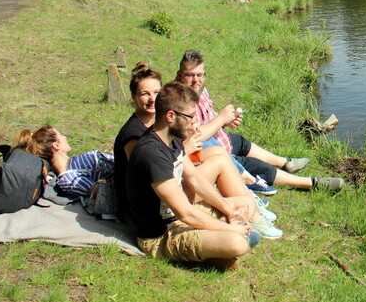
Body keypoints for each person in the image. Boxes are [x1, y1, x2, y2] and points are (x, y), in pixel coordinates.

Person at [114, 64, 278, 236]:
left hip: (168, 180)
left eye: (156, 93)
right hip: (155, 199)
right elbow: (150, 172)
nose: (152, 99)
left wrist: (186, 148)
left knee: (219, 154)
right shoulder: (134, 135)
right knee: (218, 162)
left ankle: (249, 207)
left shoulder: (161, 120)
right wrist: (185, 149)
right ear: (134, 97)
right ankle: (248, 215)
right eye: (145, 94)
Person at [126, 81, 265, 269]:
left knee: (246, 202)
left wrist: (230, 212)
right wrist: (231, 227)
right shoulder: (152, 155)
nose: (195, 122)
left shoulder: (171, 140)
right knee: (237, 243)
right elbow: (186, 213)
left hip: (181, 216)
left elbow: (196, 180)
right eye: (191, 117)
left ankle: (218, 245)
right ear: (170, 116)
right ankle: (223, 246)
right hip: (162, 235)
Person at [175, 50, 344, 192]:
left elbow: (209, 118)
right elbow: (195, 137)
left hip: (219, 139)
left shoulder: (200, 90)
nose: (196, 80)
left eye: (199, 75)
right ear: (179, 75)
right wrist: (220, 119)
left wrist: (226, 121)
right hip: (209, 152)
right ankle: (310, 183)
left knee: (241, 142)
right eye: (190, 75)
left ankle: (285, 162)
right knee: (257, 166)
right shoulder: (180, 100)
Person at [13, 125, 113, 198]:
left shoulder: (74, 162)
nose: (64, 137)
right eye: (60, 135)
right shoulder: (69, 178)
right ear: (56, 146)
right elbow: (105, 195)